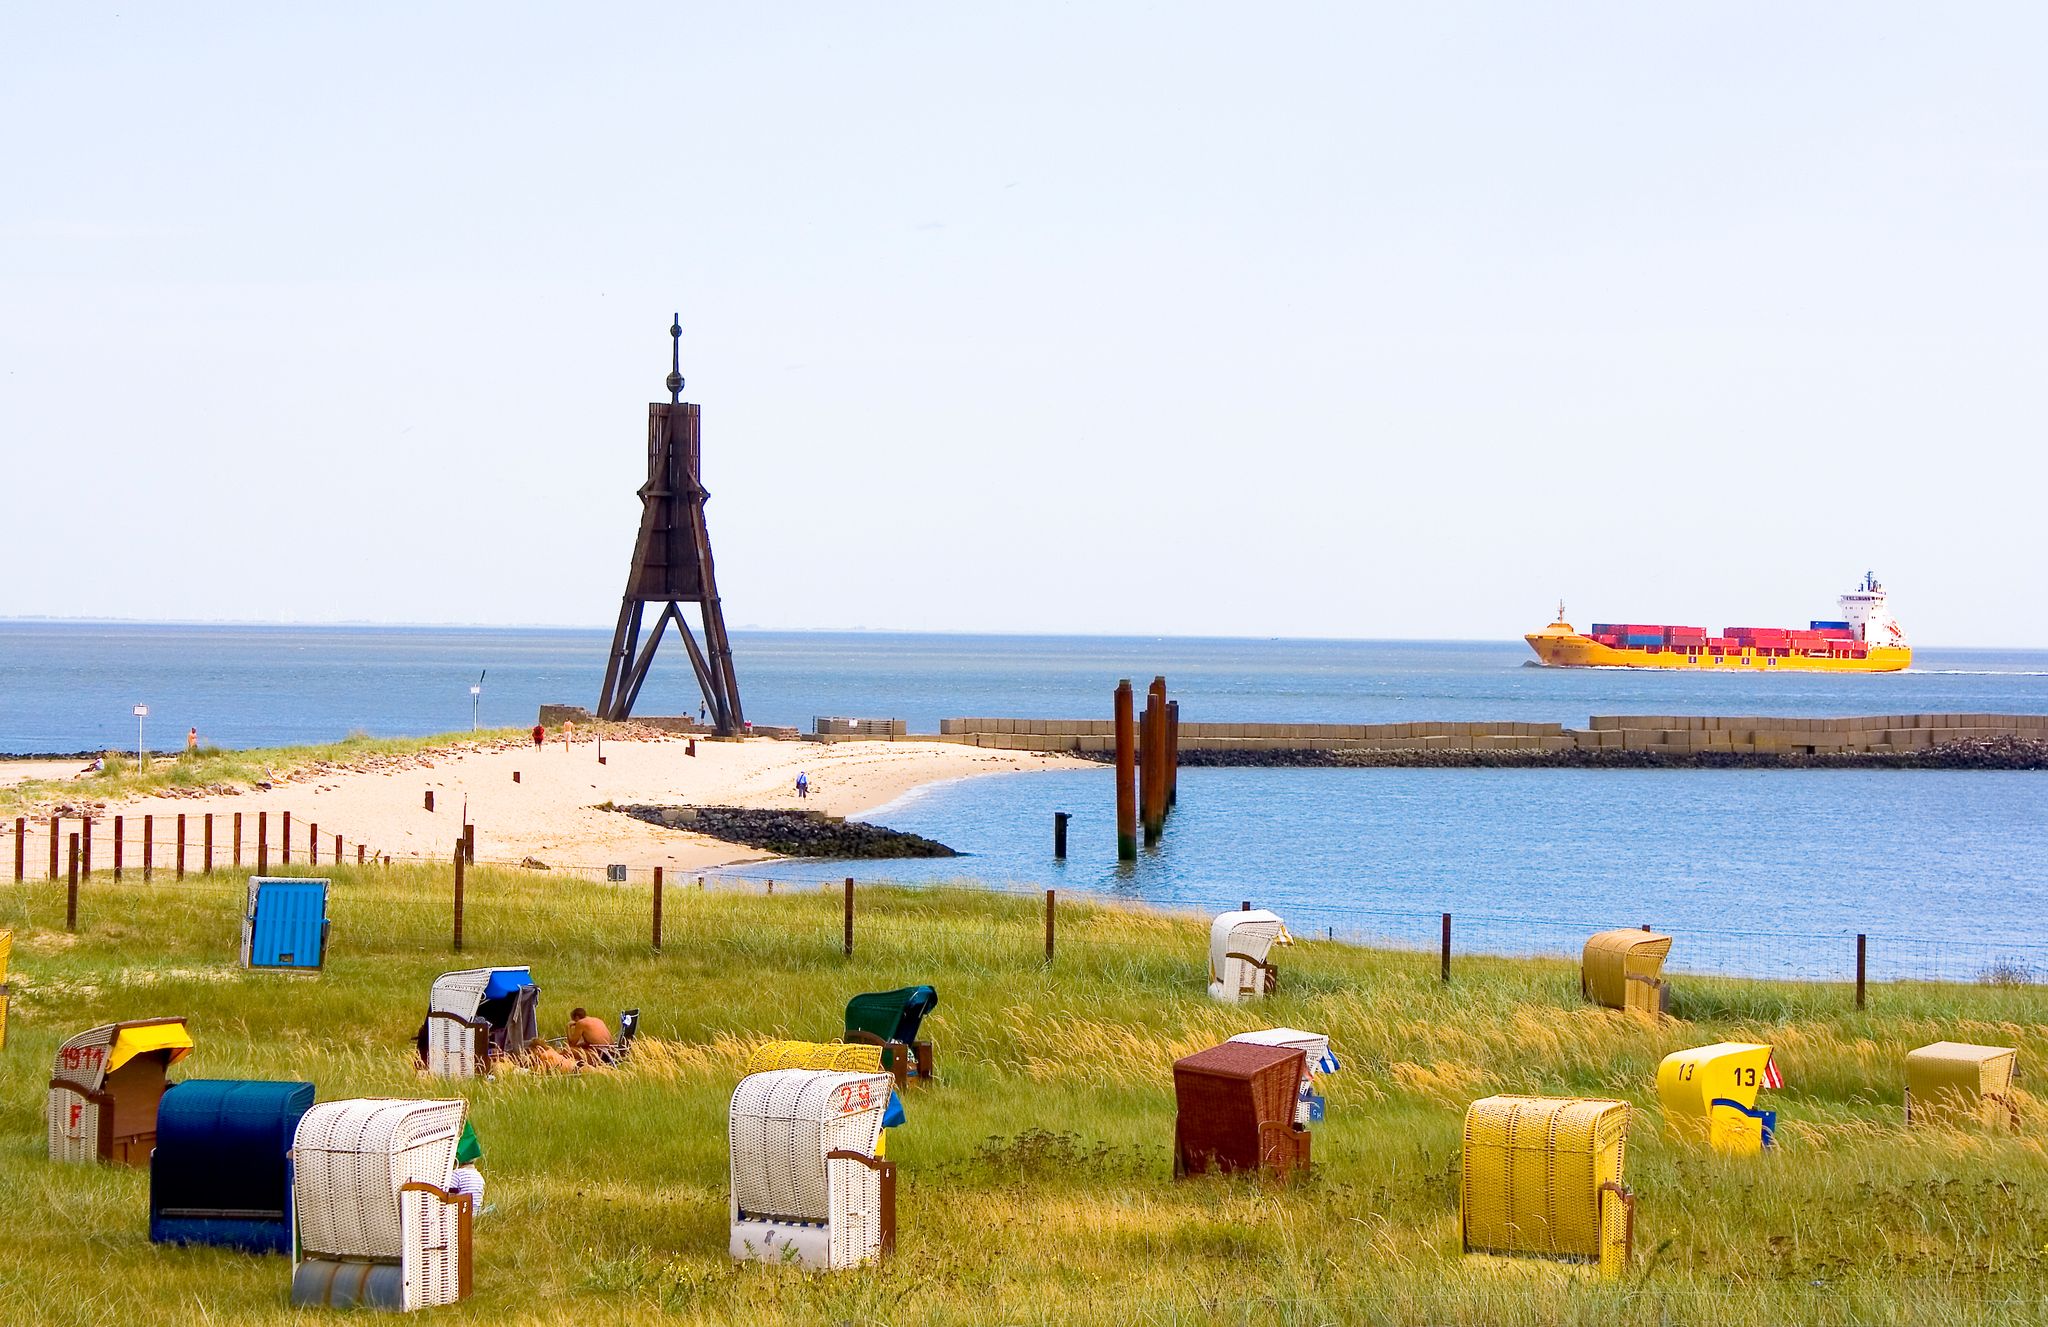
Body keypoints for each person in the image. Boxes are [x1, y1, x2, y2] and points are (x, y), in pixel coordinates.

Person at [447, 1120, 486, 1211]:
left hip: (461, 1215)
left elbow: (448, 1196)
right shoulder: (478, 1176)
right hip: (475, 1214)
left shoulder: (457, 1174)